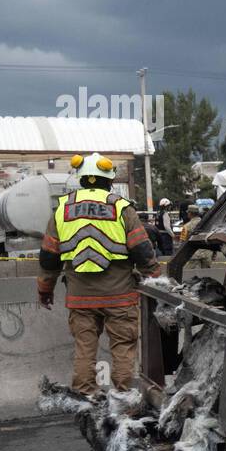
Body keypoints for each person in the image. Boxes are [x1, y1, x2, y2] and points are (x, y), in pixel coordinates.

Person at [37, 152, 160, 395]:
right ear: (109, 180)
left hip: (80, 297)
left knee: (84, 349)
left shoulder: (62, 209)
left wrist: (45, 289)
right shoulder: (122, 207)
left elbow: (49, 257)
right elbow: (142, 251)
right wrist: (158, 281)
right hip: (120, 296)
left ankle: (84, 399)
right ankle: (124, 401)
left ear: (80, 178)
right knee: (123, 347)